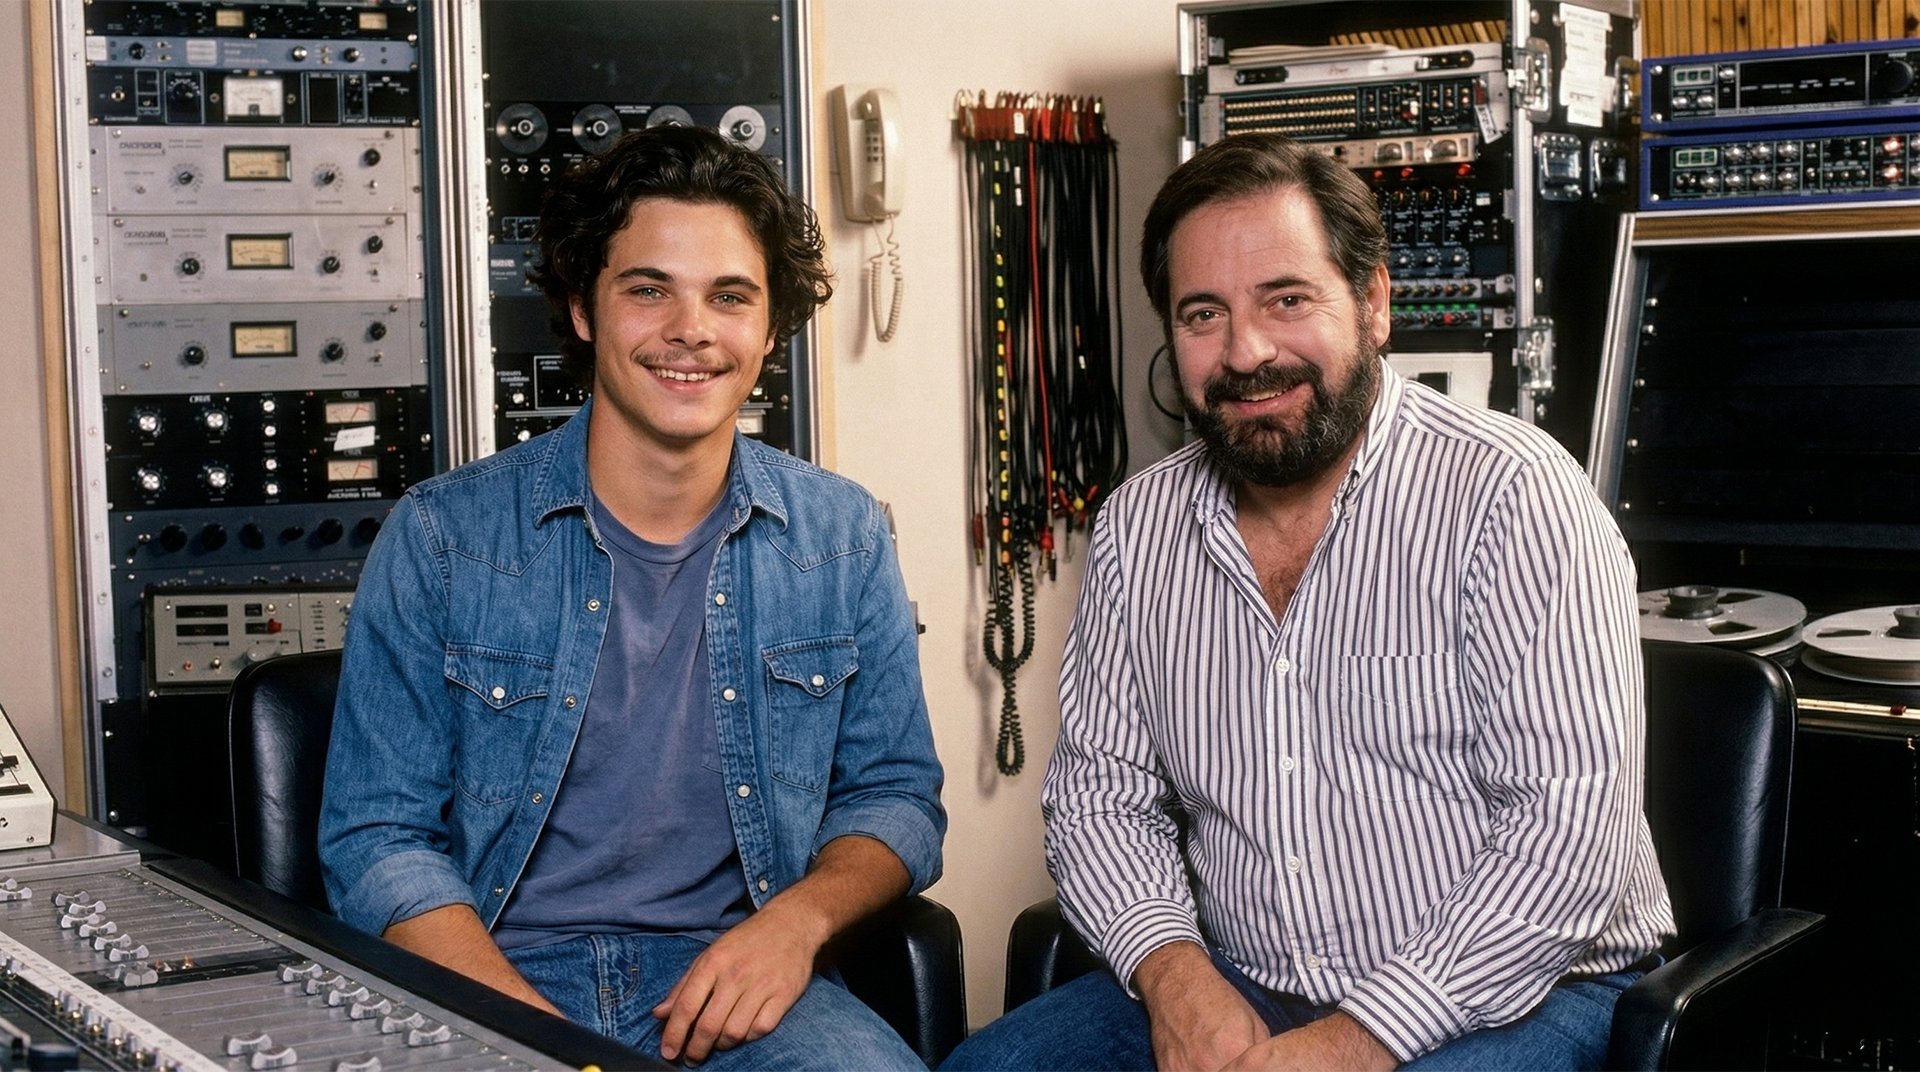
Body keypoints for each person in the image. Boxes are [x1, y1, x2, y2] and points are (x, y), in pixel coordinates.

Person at [942, 133, 1673, 1072]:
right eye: (1204, 314)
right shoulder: (1136, 529)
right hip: (1245, 978)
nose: (1246, 351)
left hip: (1527, 991)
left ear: (1374, 304)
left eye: (1287, 299)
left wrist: (1356, 1040)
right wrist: (1174, 976)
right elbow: (1099, 803)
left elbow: (1565, 838)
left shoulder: (1512, 497)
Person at [319, 125, 944, 1072]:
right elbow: (376, 841)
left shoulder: (844, 534)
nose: (691, 329)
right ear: (583, 308)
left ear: (769, 327)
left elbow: (896, 797)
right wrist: (539, 1039)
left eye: (729, 296)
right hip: (493, 978)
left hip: (733, 978)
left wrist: (794, 925)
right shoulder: (443, 535)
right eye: (649, 290)